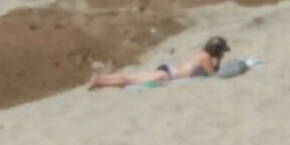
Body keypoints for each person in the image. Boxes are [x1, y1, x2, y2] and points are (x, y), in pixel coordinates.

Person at [86, 36, 231, 89]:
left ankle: (99, 80)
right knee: (129, 80)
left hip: (168, 70)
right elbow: (213, 74)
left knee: (131, 77)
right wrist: (218, 60)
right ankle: (99, 82)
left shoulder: (202, 53)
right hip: (167, 75)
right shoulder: (205, 57)